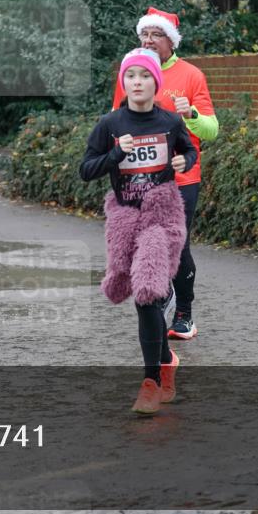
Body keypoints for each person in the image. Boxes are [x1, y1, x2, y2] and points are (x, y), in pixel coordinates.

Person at [82, 48, 197, 415]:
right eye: (131, 76)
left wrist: (184, 160)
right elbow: (86, 169)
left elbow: (190, 151)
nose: (137, 82)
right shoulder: (111, 124)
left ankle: (149, 383)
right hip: (126, 219)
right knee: (142, 301)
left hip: (163, 217)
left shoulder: (169, 122)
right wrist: (116, 155)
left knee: (148, 292)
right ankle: (166, 362)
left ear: (155, 83)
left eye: (145, 76)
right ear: (124, 82)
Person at [111, 8, 219, 340]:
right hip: (139, 177)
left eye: (156, 35)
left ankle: (184, 311)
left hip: (182, 177)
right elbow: (116, 121)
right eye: (144, 35)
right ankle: (162, 294)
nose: (148, 41)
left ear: (170, 42)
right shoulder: (131, 72)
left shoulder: (191, 75)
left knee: (177, 243)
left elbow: (211, 130)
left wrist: (192, 113)